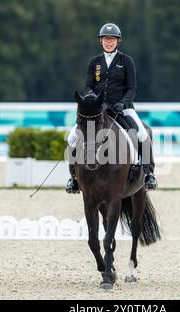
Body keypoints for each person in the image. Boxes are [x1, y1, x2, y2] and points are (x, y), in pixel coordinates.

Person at [66, 23, 157, 193]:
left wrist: (123, 102)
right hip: (98, 109)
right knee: (72, 137)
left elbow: (132, 88)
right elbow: (88, 86)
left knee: (142, 133)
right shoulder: (94, 62)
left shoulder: (126, 61)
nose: (109, 42)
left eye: (112, 39)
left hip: (123, 108)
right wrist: (94, 101)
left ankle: (149, 173)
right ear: (101, 41)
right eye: (106, 39)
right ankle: (74, 178)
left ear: (117, 41)